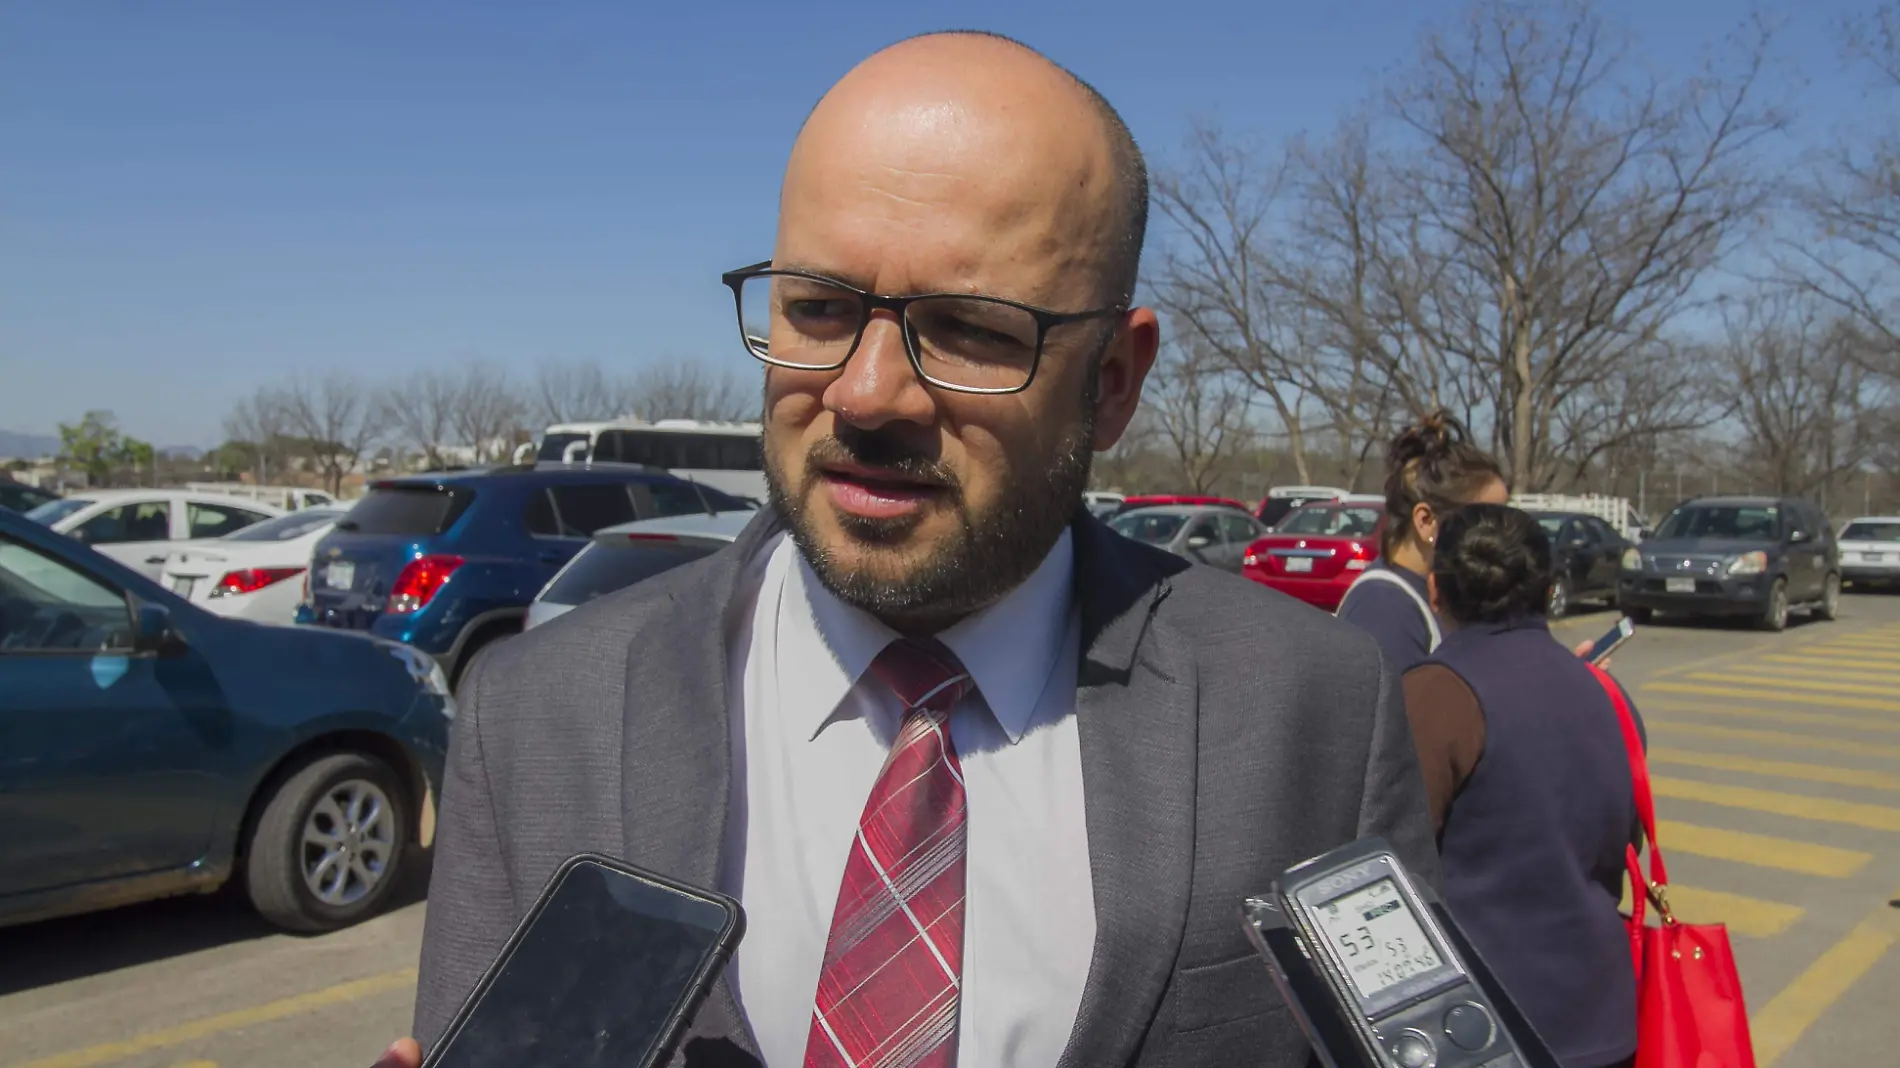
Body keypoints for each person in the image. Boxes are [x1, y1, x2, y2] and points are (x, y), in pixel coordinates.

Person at [377, 31, 1437, 1068]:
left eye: (971, 327)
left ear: (1111, 379)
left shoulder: (1315, 710)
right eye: (820, 308)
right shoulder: (539, 715)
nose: (866, 392)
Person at [1402, 504, 1643, 1068]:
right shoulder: (1606, 694)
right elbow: (1617, 839)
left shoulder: (1435, 694)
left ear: (1436, 590)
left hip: (1489, 1029)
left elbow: (1395, 860)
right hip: (1604, 1017)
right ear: (1547, 588)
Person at [1336, 412, 1509, 673]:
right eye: (1486, 520)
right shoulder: (1385, 608)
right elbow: (1400, 713)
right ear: (1426, 521)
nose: (1502, 534)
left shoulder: (1448, 593)